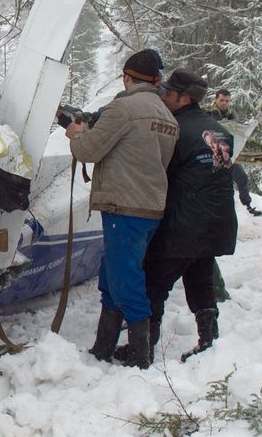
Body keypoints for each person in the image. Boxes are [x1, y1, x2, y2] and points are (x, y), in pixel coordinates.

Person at [67, 48, 179, 368]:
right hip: (150, 206)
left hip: (124, 206)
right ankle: (103, 348)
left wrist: (76, 135)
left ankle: (139, 355)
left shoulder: (123, 108)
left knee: (125, 279)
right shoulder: (166, 117)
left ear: (128, 78)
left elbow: (89, 150)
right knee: (113, 274)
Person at [129, 69, 239, 362]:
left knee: (155, 283)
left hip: (183, 221)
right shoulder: (219, 130)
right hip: (216, 221)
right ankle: (209, 342)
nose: (163, 96)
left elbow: (156, 172)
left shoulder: (172, 130)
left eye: (168, 92)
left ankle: (143, 350)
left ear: (183, 97)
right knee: (200, 279)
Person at [207, 89, 260, 216]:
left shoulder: (231, 114)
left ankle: (247, 205)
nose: (224, 103)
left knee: (241, 177)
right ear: (216, 99)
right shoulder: (207, 112)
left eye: (227, 101)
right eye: (221, 100)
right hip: (210, 153)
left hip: (228, 153)